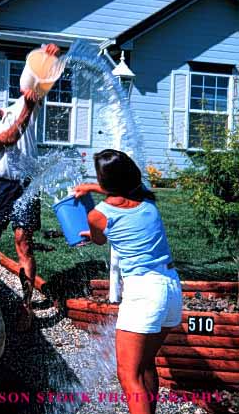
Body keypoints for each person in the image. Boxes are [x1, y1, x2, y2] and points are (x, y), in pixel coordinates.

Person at [74, 149, 182, 414]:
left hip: (143, 291)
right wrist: (93, 186)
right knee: (145, 364)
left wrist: (92, 228)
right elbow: (124, 190)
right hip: (170, 287)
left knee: (127, 375)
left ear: (105, 181)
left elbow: (99, 238)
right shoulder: (147, 199)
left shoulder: (98, 215)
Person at [0, 43, 60, 331]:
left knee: (24, 244)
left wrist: (46, 57)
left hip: (26, 185)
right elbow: (7, 139)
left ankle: (26, 306)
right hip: (2, 186)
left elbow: (39, 84)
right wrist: (26, 111)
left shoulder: (19, 104)